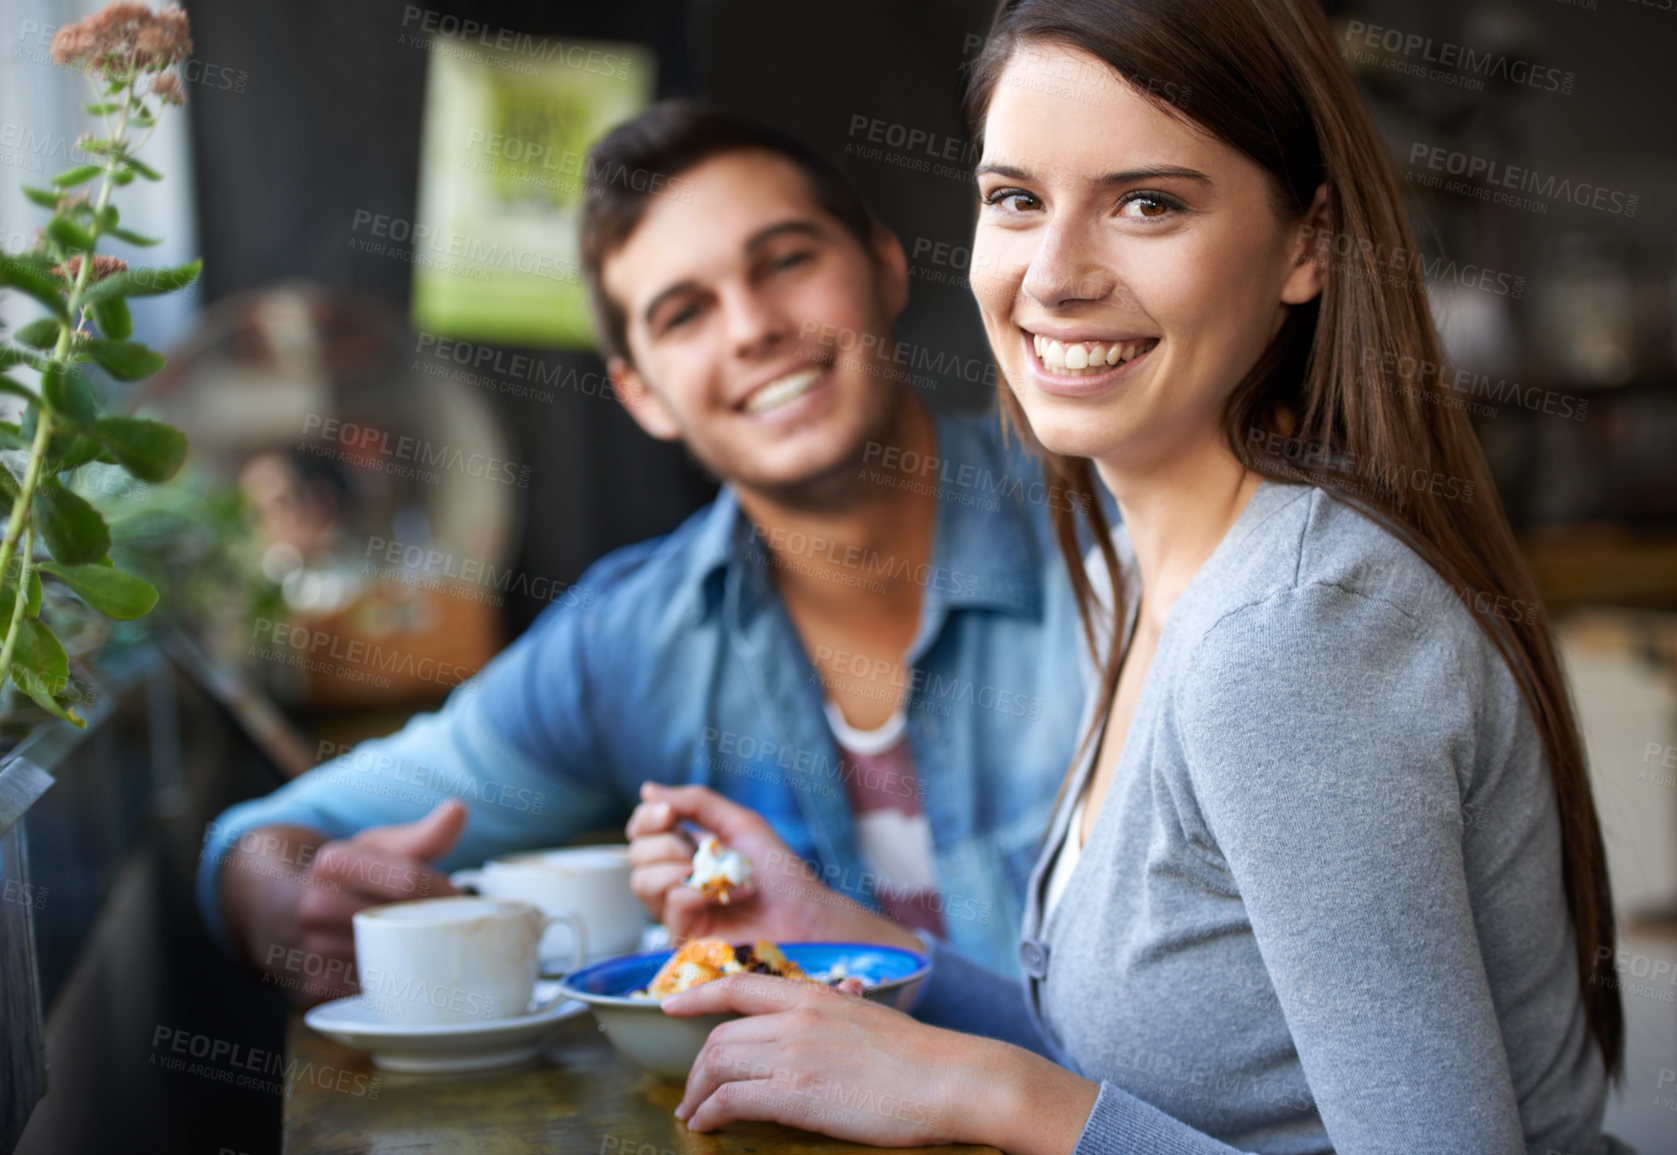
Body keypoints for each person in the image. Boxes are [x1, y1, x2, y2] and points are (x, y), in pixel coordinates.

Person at [635, 2, 1634, 1151]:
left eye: (1147, 203)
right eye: (1017, 200)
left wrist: (997, 1098)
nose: (1055, 277)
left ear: (1308, 245)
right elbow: (1166, 1072)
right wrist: (845, 937)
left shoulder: (1289, 638)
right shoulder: (1127, 570)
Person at [198, 100, 1091, 1006]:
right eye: (682, 313)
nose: (750, 328)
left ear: (885, 267)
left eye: (786, 261)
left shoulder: (1115, 534)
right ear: (642, 394)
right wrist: (274, 893)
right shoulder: (630, 642)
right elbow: (274, 836)